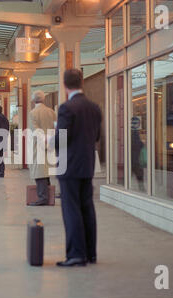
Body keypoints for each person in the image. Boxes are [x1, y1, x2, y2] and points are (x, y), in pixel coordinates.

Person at [55, 68, 101, 267]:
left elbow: (60, 140)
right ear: (81, 83)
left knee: (71, 209)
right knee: (87, 208)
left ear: (65, 86)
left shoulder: (67, 108)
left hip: (70, 166)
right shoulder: (94, 108)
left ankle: (76, 255)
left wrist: (51, 140)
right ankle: (90, 253)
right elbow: (97, 137)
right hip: (87, 165)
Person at [28, 90, 56, 206]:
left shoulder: (33, 113)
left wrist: (44, 144)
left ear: (34, 100)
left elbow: (36, 131)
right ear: (43, 99)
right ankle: (48, 195)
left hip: (39, 145)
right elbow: (56, 128)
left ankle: (43, 198)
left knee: (39, 171)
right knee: (46, 170)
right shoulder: (52, 112)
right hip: (51, 143)